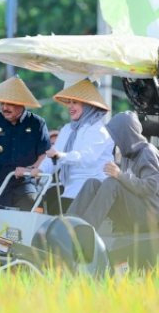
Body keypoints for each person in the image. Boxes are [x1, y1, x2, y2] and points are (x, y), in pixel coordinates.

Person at [67, 111, 159, 234]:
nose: (114, 141)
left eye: (116, 136)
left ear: (126, 135)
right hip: (133, 210)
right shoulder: (127, 154)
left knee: (112, 183)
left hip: (148, 215)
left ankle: (84, 234)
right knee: (92, 183)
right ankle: (66, 226)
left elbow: (150, 188)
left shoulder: (148, 153)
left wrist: (119, 175)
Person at [0, 76, 51, 210]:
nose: (4, 107)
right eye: (1, 103)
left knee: (32, 204)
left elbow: (44, 156)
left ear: (22, 103)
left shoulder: (37, 123)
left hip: (25, 184)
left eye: (9, 103)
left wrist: (29, 170)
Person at [40, 79, 114, 215]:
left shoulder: (98, 130)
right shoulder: (67, 129)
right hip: (68, 190)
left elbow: (87, 157)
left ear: (88, 105)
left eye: (75, 102)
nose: (70, 107)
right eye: (69, 102)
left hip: (90, 193)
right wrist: (38, 170)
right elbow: (53, 157)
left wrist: (60, 156)